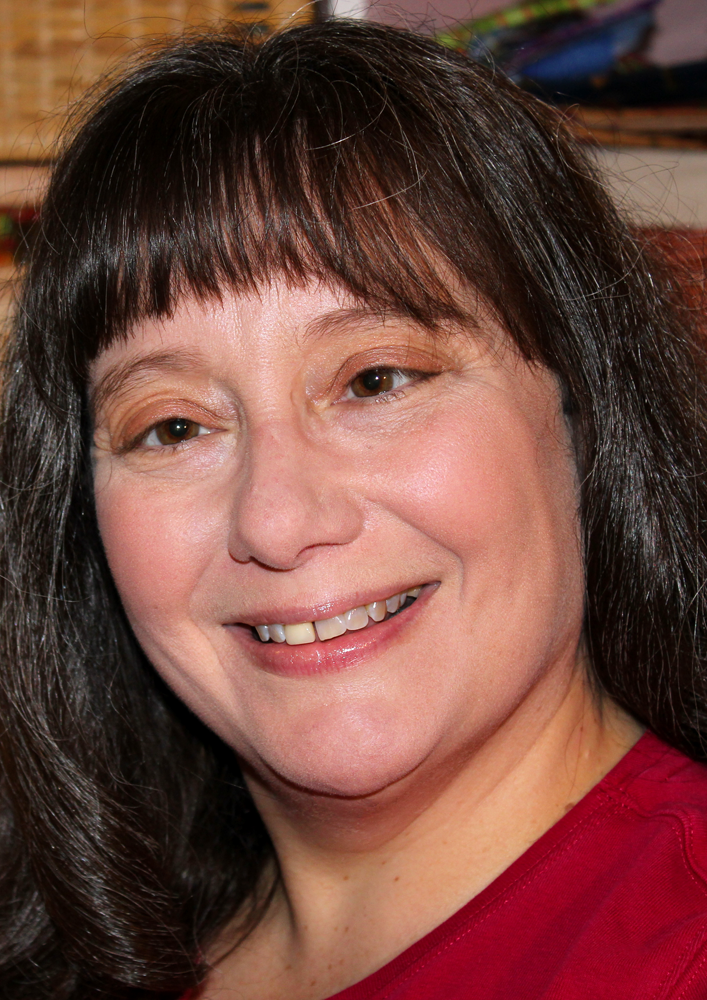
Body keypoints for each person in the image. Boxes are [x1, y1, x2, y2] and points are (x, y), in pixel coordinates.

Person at [1, 18, 707, 1000]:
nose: (277, 521)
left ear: (581, 411)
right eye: (173, 426)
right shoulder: (73, 942)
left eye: (375, 379)